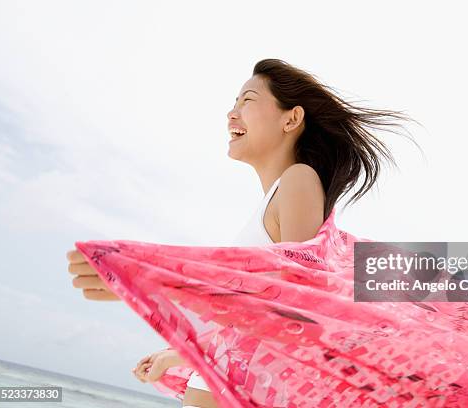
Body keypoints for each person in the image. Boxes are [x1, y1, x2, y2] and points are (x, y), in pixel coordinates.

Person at [67, 58, 418, 407]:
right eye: (233, 103)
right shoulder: (274, 200)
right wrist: (180, 353)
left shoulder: (298, 180)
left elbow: (297, 310)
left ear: (291, 119)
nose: (231, 113)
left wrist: (151, 280)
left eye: (247, 100)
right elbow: (254, 320)